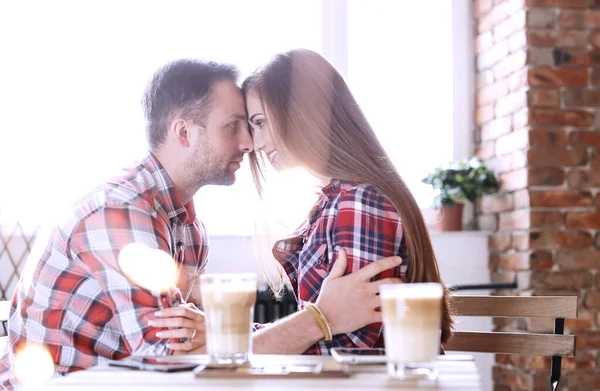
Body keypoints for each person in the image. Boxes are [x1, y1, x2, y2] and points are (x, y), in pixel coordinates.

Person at [0, 59, 401, 389]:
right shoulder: (119, 214)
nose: (249, 143)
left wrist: (213, 333)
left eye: (252, 125)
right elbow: (173, 358)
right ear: (183, 132)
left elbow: (195, 344)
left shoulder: (186, 225)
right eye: (233, 126)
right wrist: (320, 318)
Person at [243, 49, 453, 355]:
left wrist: (243, 346)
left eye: (260, 122)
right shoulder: (336, 200)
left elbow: (348, 351)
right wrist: (229, 335)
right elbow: (325, 327)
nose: (256, 144)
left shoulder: (358, 201)